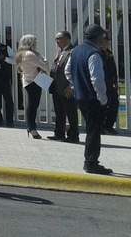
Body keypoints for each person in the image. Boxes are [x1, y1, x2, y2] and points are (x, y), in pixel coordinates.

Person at [65, 24, 112, 175]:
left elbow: (67, 71)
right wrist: (103, 99)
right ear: (98, 37)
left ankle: (91, 161)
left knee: (92, 129)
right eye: (104, 37)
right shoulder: (94, 53)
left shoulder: (76, 50)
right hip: (93, 99)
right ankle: (91, 162)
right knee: (94, 130)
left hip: (81, 97)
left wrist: (76, 86)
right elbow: (97, 80)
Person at [15, 34, 49, 139]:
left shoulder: (22, 53)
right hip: (35, 81)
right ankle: (31, 127)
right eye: (34, 42)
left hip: (30, 80)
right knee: (33, 106)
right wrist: (45, 60)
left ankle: (31, 127)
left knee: (32, 105)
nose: (36, 44)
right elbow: (45, 65)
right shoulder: (30, 54)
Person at [49, 31, 78, 142]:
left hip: (66, 88)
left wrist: (71, 86)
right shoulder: (60, 52)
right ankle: (59, 133)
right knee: (59, 112)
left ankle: (73, 136)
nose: (57, 41)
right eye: (56, 39)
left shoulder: (72, 51)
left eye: (59, 38)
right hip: (57, 87)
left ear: (67, 39)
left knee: (71, 113)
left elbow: (75, 71)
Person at [101, 36, 119, 135]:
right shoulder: (98, 53)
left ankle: (109, 126)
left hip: (111, 84)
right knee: (102, 106)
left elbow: (113, 69)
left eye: (108, 41)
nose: (107, 43)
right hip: (102, 83)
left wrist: (115, 82)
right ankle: (102, 126)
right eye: (105, 41)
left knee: (114, 104)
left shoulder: (109, 53)